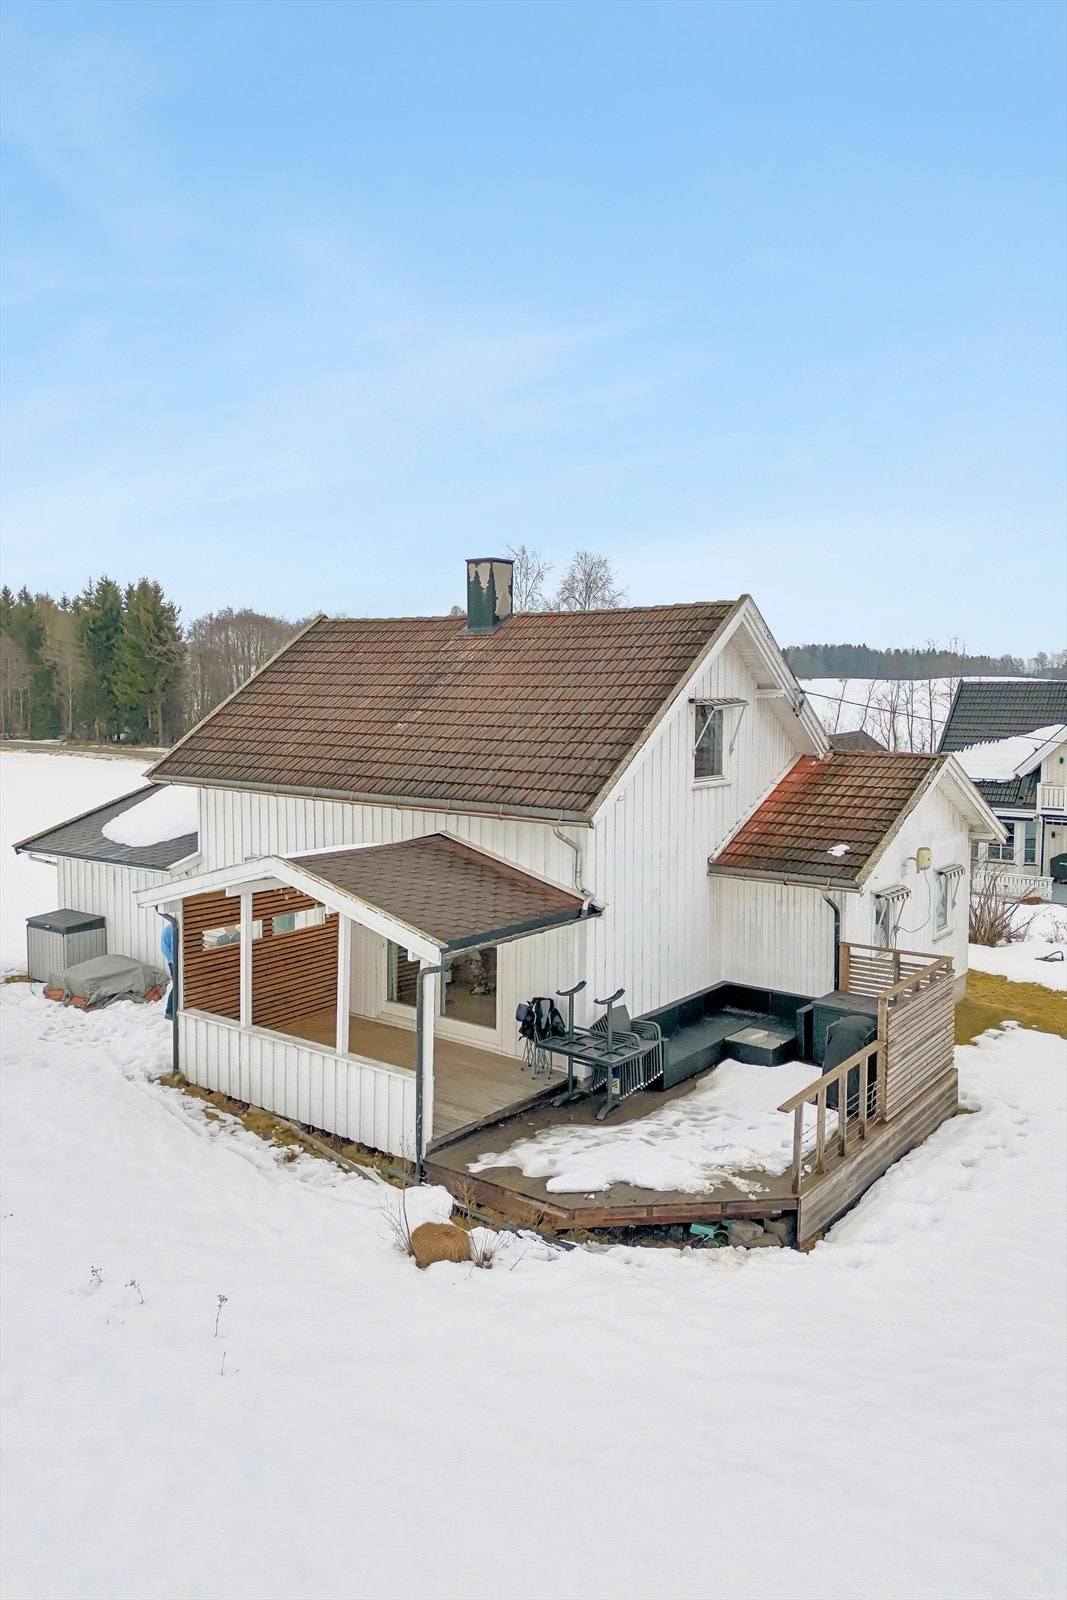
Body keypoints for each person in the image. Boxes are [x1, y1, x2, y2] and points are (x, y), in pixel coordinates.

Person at [160, 919, 175, 1019]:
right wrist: (173, 960)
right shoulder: (168, 930)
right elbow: (164, 948)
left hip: (184, 961)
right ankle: (169, 1011)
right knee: (177, 986)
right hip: (174, 963)